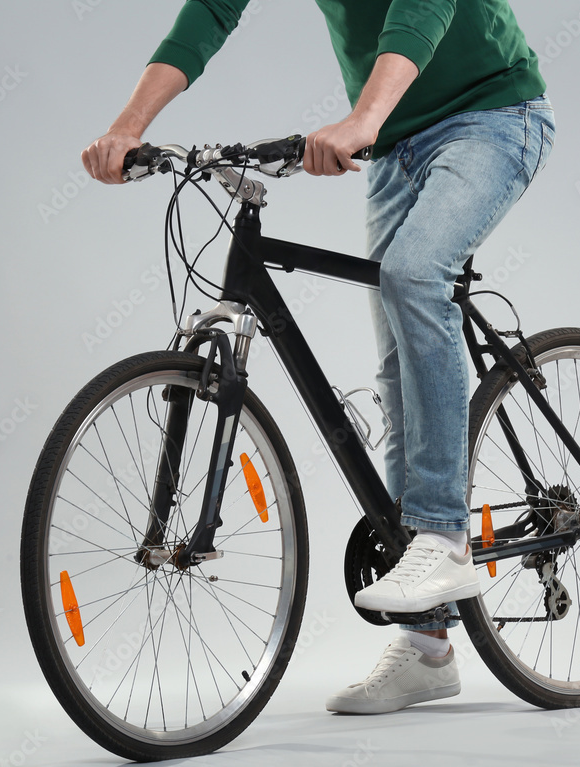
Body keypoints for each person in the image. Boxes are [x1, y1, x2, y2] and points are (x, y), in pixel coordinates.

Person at [82, 0, 554, 715]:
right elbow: (209, 12)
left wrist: (363, 116)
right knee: (398, 379)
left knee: (414, 275)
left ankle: (445, 537)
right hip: (396, 147)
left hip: (492, 118)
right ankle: (427, 648)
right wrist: (128, 127)